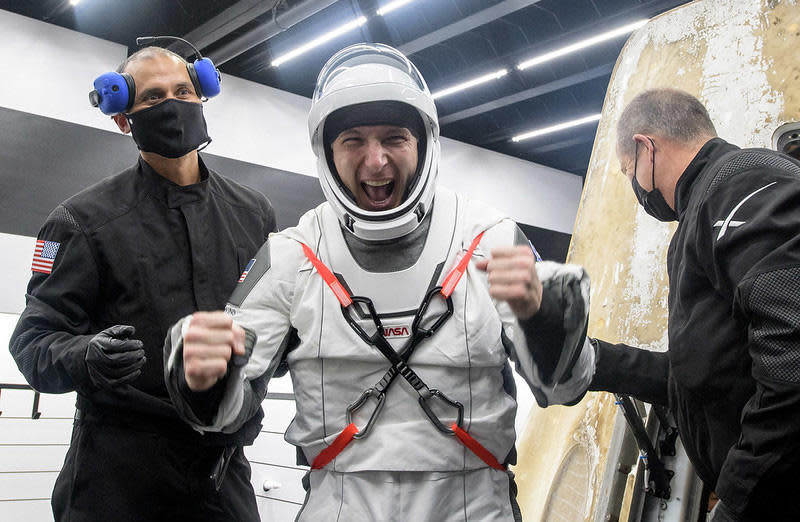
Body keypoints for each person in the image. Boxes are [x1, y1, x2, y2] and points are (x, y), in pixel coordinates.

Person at [163, 43, 594, 521]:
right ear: (326, 152)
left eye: (394, 138)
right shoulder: (291, 256)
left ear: (424, 144)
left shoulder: (490, 239)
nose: (376, 161)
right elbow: (222, 415)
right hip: (341, 503)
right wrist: (202, 377)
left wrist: (548, 319)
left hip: (473, 505)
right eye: (353, 140)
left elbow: (563, 389)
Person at [9, 45, 276, 521]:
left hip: (221, 478)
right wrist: (85, 356)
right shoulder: (82, 222)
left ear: (203, 97)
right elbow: (32, 340)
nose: (172, 105)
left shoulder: (253, 215)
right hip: (117, 481)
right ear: (121, 118)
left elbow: (274, 322)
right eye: (153, 98)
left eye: (183, 91)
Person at [580, 88, 800, 521]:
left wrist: (738, 500)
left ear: (646, 149)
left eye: (629, 172)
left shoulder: (742, 186)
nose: (636, 189)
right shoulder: (705, 208)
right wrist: (593, 362)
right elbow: (708, 368)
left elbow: (793, 367)